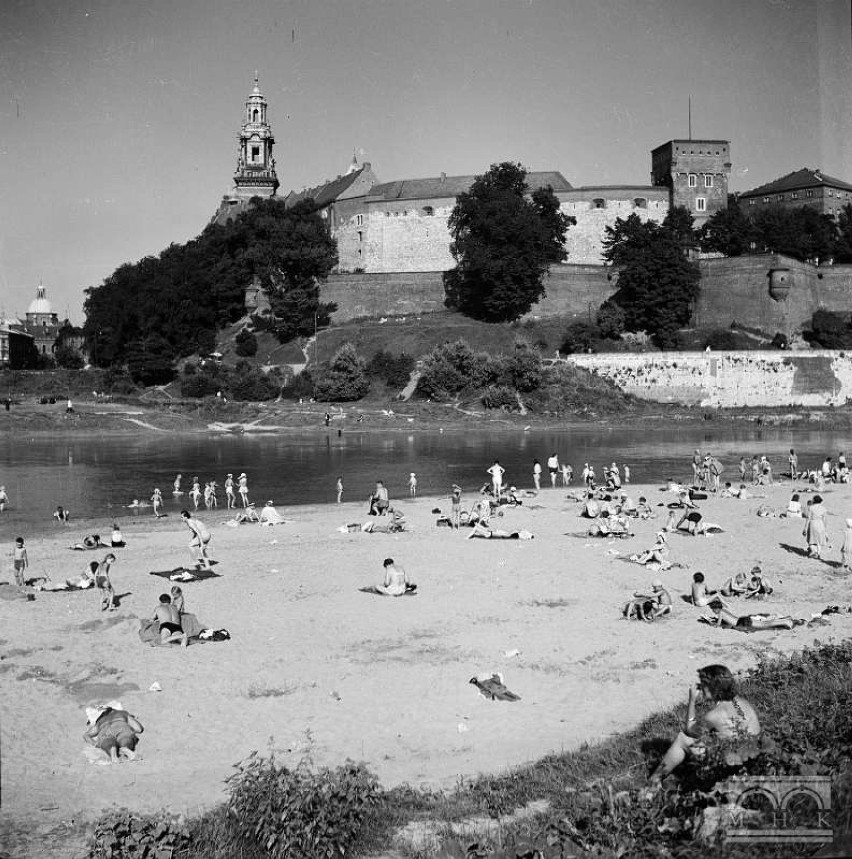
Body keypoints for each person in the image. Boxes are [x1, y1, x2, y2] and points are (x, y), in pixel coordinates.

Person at [649, 665, 761, 785]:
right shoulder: (742, 701)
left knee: (682, 739)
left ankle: (652, 783)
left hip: (731, 766)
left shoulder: (715, 715)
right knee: (714, 736)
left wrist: (692, 701)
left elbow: (690, 730)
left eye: (703, 684)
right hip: (753, 758)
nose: (701, 687)